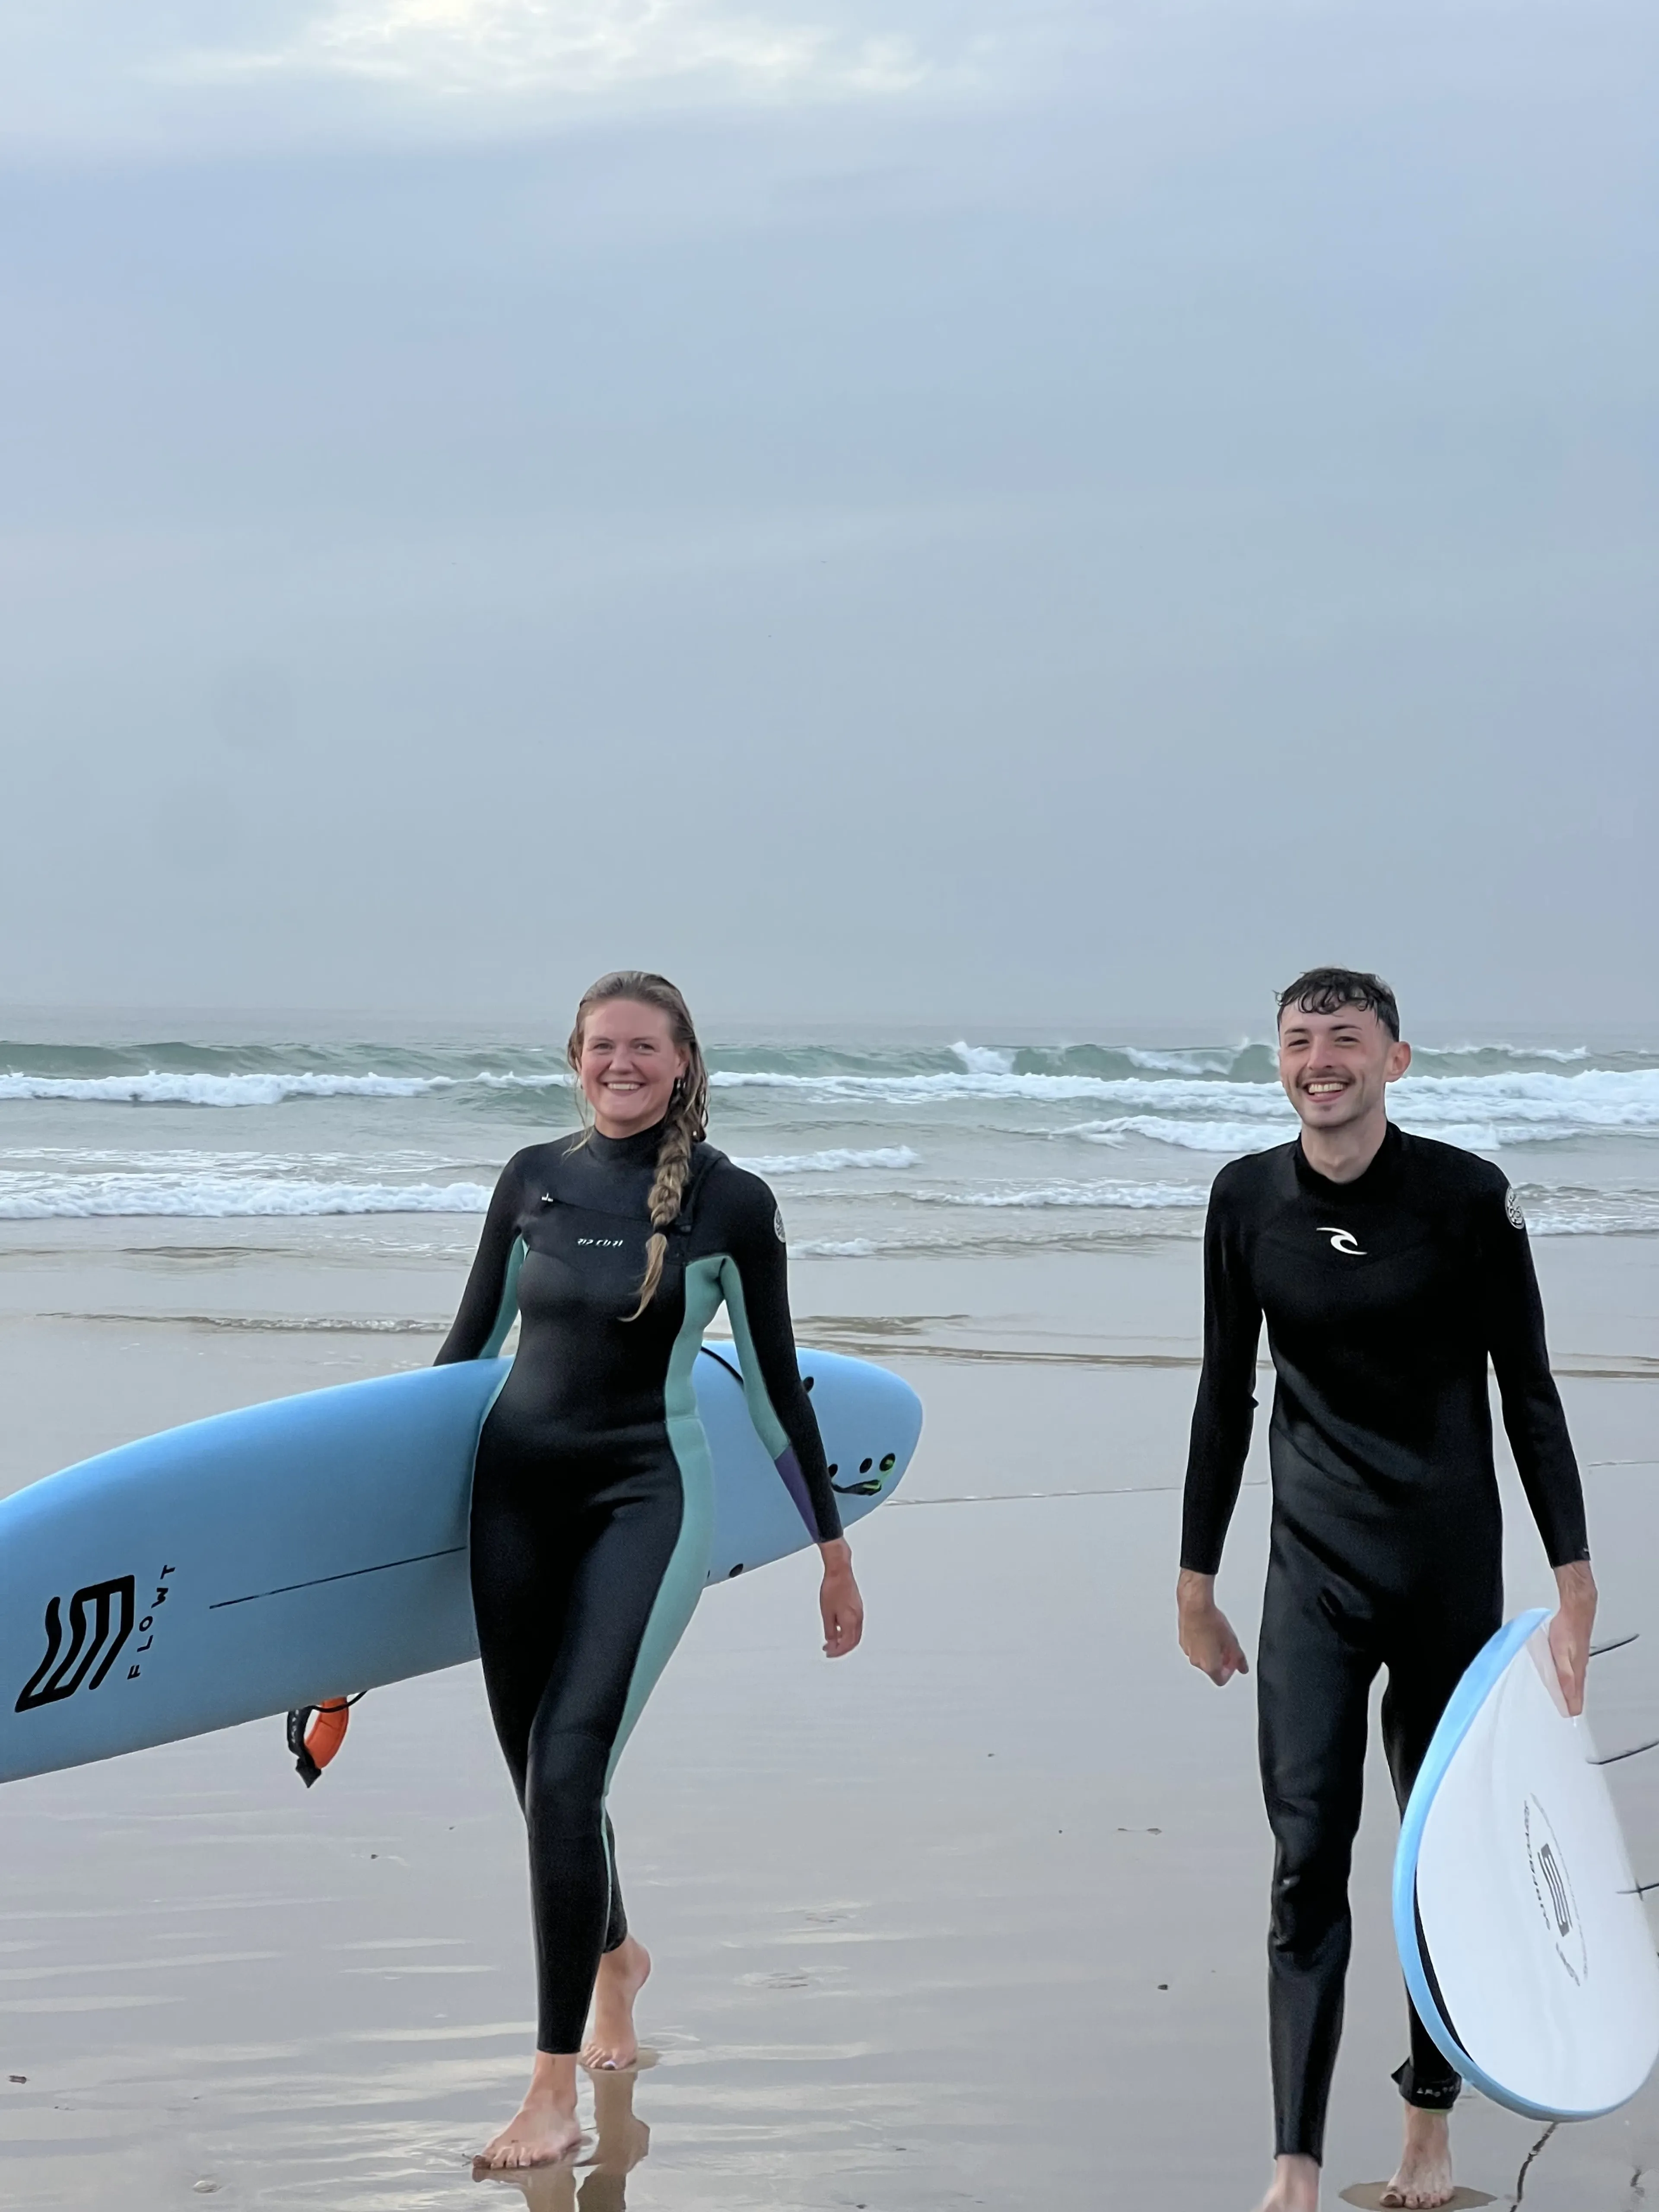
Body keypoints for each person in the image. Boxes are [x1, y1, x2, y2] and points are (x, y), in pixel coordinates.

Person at [1176, 967, 1596, 2212]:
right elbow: (1222, 1394)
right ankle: (1295, 2165)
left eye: (1345, 1039)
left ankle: (1427, 2125)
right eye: (1298, 1040)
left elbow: (1529, 1391)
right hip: (1312, 1576)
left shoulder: (1467, 1199)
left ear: (1395, 1060)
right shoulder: (1245, 1199)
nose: (1320, 1060)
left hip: (1445, 1575)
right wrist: (1195, 1580)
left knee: (1437, 1862)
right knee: (1306, 1857)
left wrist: (1574, 1582)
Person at [437, 970, 864, 2170]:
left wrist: (833, 1552)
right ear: (575, 1057)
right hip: (512, 1501)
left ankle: (551, 2090)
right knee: (540, 1779)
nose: (619, 1064)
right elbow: (463, 1353)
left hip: (646, 1501)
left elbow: (776, 1391)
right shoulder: (531, 1177)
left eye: (643, 1047)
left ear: (683, 1063)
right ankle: (618, 1960)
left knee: (569, 1768)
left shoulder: (733, 1204)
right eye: (600, 1046)